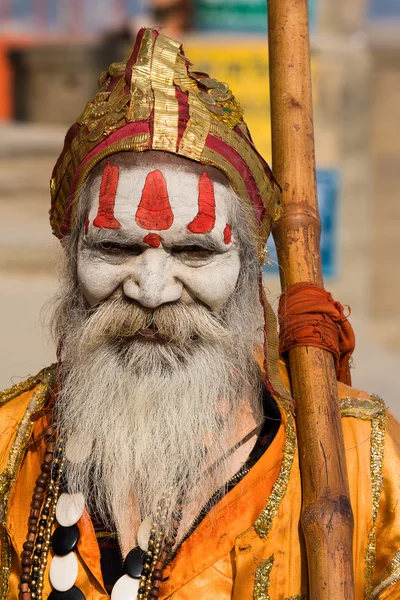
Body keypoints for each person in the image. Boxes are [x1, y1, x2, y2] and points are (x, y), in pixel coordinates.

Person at [1, 28, 399, 600]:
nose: (153, 289)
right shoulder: (10, 448)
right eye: (114, 249)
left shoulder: (360, 463)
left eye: (195, 252)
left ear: (246, 274)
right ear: (71, 261)